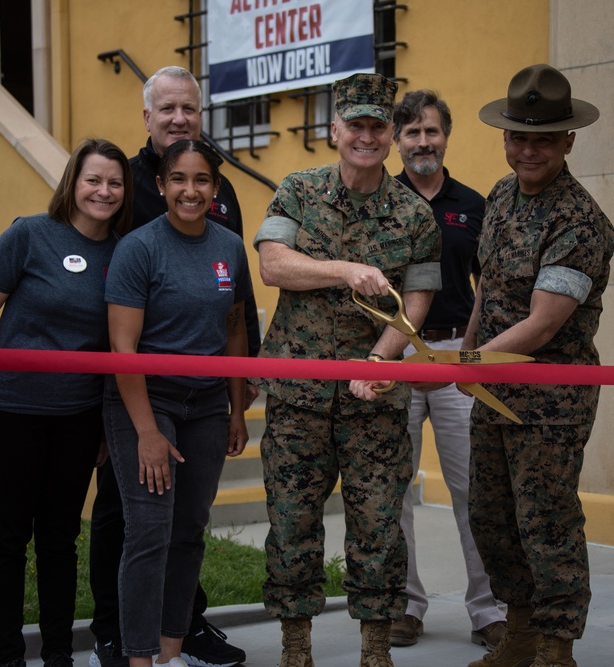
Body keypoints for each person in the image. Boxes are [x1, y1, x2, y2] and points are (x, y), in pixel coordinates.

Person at [253, 72, 442, 667]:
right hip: (297, 394)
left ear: (390, 134)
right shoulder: (298, 190)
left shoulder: (415, 216)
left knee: (379, 527)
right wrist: (344, 270)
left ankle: (375, 650)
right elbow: (274, 266)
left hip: (373, 397)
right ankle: (296, 648)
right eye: (354, 124)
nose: (365, 135)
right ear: (334, 129)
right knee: (291, 523)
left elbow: (417, 301)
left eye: (376, 126)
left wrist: (383, 357)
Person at [88, 66, 256, 667]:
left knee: (188, 530)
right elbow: (121, 349)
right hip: (147, 402)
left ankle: (170, 649)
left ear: (215, 188)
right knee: (148, 531)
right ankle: (133, 655)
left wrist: (238, 408)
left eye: (202, 181)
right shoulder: (136, 245)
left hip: (208, 404)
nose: (191, 190)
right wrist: (146, 432)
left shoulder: (229, 245)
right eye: (179, 180)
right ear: (160, 185)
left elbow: (235, 326)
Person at [0, 138, 134, 667]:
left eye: (115, 182)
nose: (104, 191)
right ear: (73, 182)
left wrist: (105, 425)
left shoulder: (125, 253)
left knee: (59, 540)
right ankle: (8, 656)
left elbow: (117, 343)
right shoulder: (28, 235)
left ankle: (58, 654)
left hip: (78, 418)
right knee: (7, 538)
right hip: (10, 411)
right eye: (93, 179)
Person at [465, 64, 614, 667]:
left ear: (568, 141)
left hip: (550, 401)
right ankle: (519, 633)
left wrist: (470, 360)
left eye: (544, 138)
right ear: (505, 138)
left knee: (546, 521)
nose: (528, 149)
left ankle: (556, 648)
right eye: (518, 136)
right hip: (493, 388)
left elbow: (543, 324)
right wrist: (471, 352)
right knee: (492, 519)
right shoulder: (501, 195)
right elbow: (488, 289)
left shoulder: (580, 222)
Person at [386, 90, 509, 651]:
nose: (422, 143)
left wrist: (480, 352)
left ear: (446, 136)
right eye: (411, 133)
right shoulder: (381, 201)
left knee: (473, 490)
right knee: (393, 490)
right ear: (396, 140)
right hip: (398, 357)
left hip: (460, 353)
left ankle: (488, 608)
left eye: (431, 132)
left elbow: (492, 284)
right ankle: (405, 605)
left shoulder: (473, 204)